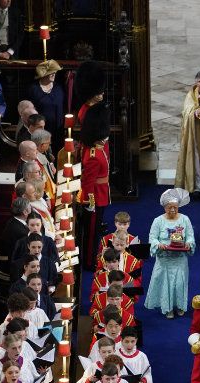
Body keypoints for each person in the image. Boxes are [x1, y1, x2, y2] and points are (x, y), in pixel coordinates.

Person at [145, 188, 195, 318]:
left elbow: (190, 236)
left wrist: (189, 243)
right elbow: (152, 238)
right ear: (164, 207)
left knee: (179, 284)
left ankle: (180, 306)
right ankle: (167, 309)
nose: (172, 210)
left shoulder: (185, 219)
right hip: (164, 259)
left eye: (175, 207)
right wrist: (158, 245)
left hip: (180, 259)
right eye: (169, 207)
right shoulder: (158, 221)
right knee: (166, 284)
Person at [79, 103, 112, 270]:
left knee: (96, 230)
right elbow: (88, 182)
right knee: (92, 233)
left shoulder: (98, 149)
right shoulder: (93, 155)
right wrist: (89, 202)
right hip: (95, 198)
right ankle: (89, 262)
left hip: (102, 193)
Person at [28, 60, 65, 140]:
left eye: (55, 72)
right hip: (41, 131)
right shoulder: (34, 89)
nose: (54, 74)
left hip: (57, 131)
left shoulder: (58, 88)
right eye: (51, 72)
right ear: (44, 74)